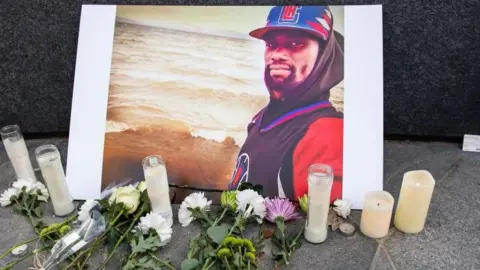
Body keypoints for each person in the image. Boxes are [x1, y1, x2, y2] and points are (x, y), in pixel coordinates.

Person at [228, 5, 344, 204]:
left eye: (296, 43)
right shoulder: (264, 115)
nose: (277, 55)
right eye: (271, 44)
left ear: (324, 55)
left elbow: (319, 221)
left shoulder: (327, 133)